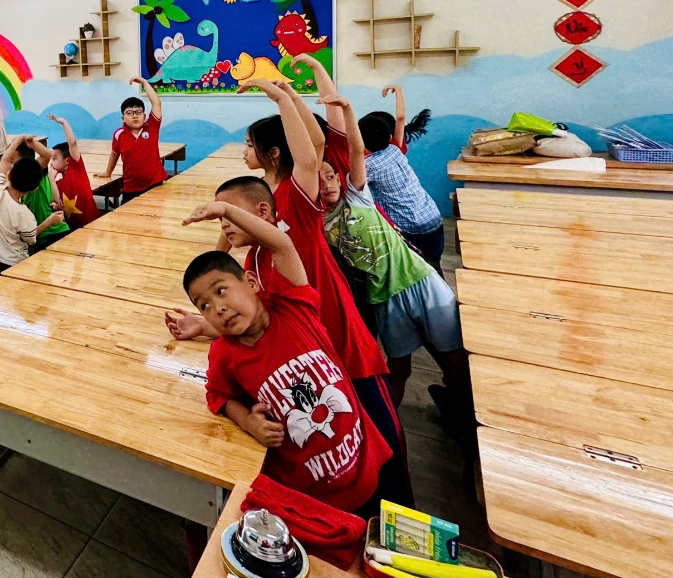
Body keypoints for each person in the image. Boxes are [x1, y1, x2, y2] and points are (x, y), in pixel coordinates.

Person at [178, 203, 395, 518]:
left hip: (364, 465)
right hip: (309, 497)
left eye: (221, 291)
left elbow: (283, 244)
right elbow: (218, 395)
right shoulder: (225, 353)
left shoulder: (294, 307)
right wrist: (248, 421)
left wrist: (227, 210)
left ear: (252, 282)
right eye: (204, 306)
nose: (218, 308)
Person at [318, 94, 472, 425]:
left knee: (455, 360)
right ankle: (385, 428)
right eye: (319, 180)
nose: (327, 184)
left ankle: (465, 417)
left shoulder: (357, 195)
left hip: (419, 280)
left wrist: (346, 109)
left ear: (340, 177)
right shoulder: (319, 222)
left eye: (331, 176)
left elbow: (355, 150)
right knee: (398, 369)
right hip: (384, 298)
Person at [359, 87, 445, 273]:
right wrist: (398, 90)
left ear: (360, 141)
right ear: (390, 137)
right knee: (434, 265)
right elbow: (400, 118)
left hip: (411, 228)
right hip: (433, 217)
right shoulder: (396, 149)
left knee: (417, 273)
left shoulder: (367, 167)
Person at [0, 135, 65, 278]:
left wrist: (18, 139)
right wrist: (50, 221)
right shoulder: (24, 214)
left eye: (13, 162)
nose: (10, 164)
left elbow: (4, 161)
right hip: (13, 263)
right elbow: (31, 237)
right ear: (34, 188)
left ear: (10, 175)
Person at [98, 76, 164, 202]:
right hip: (131, 187)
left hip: (154, 185)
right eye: (129, 113)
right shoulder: (119, 134)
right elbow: (114, 154)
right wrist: (108, 172)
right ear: (123, 118)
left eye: (138, 112)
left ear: (144, 116)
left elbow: (156, 103)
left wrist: (144, 82)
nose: (134, 116)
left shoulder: (152, 127)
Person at [46, 114, 100, 229]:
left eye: (54, 158)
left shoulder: (76, 169)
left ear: (67, 160)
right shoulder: (57, 184)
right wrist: (51, 179)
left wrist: (63, 122)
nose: (51, 163)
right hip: (74, 230)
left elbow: (72, 143)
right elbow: (57, 201)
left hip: (92, 223)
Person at [17, 139, 70, 249]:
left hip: (53, 233)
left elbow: (46, 156)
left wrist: (32, 142)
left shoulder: (32, 172)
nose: (10, 165)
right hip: (42, 234)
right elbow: (56, 200)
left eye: (12, 161)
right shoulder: (18, 182)